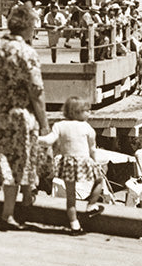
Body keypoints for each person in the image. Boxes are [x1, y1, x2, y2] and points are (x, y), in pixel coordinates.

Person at [0, 2, 49, 231]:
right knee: (27, 158)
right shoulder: (28, 52)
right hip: (23, 113)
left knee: (7, 159)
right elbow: (36, 91)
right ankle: (26, 200)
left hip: (2, 111)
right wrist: (44, 123)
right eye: (34, 26)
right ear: (27, 27)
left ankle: (7, 212)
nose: (35, 31)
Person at [37, 97, 97, 235]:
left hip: (67, 163)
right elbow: (92, 148)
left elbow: (48, 141)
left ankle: (75, 226)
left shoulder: (59, 125)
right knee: (99, 181)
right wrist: (95, 161)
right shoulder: (87, 127)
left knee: (71, 197)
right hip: (83, 161)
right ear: (77, 112)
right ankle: (91, 206)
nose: (89, 114)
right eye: (87, 111)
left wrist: (34, 138)